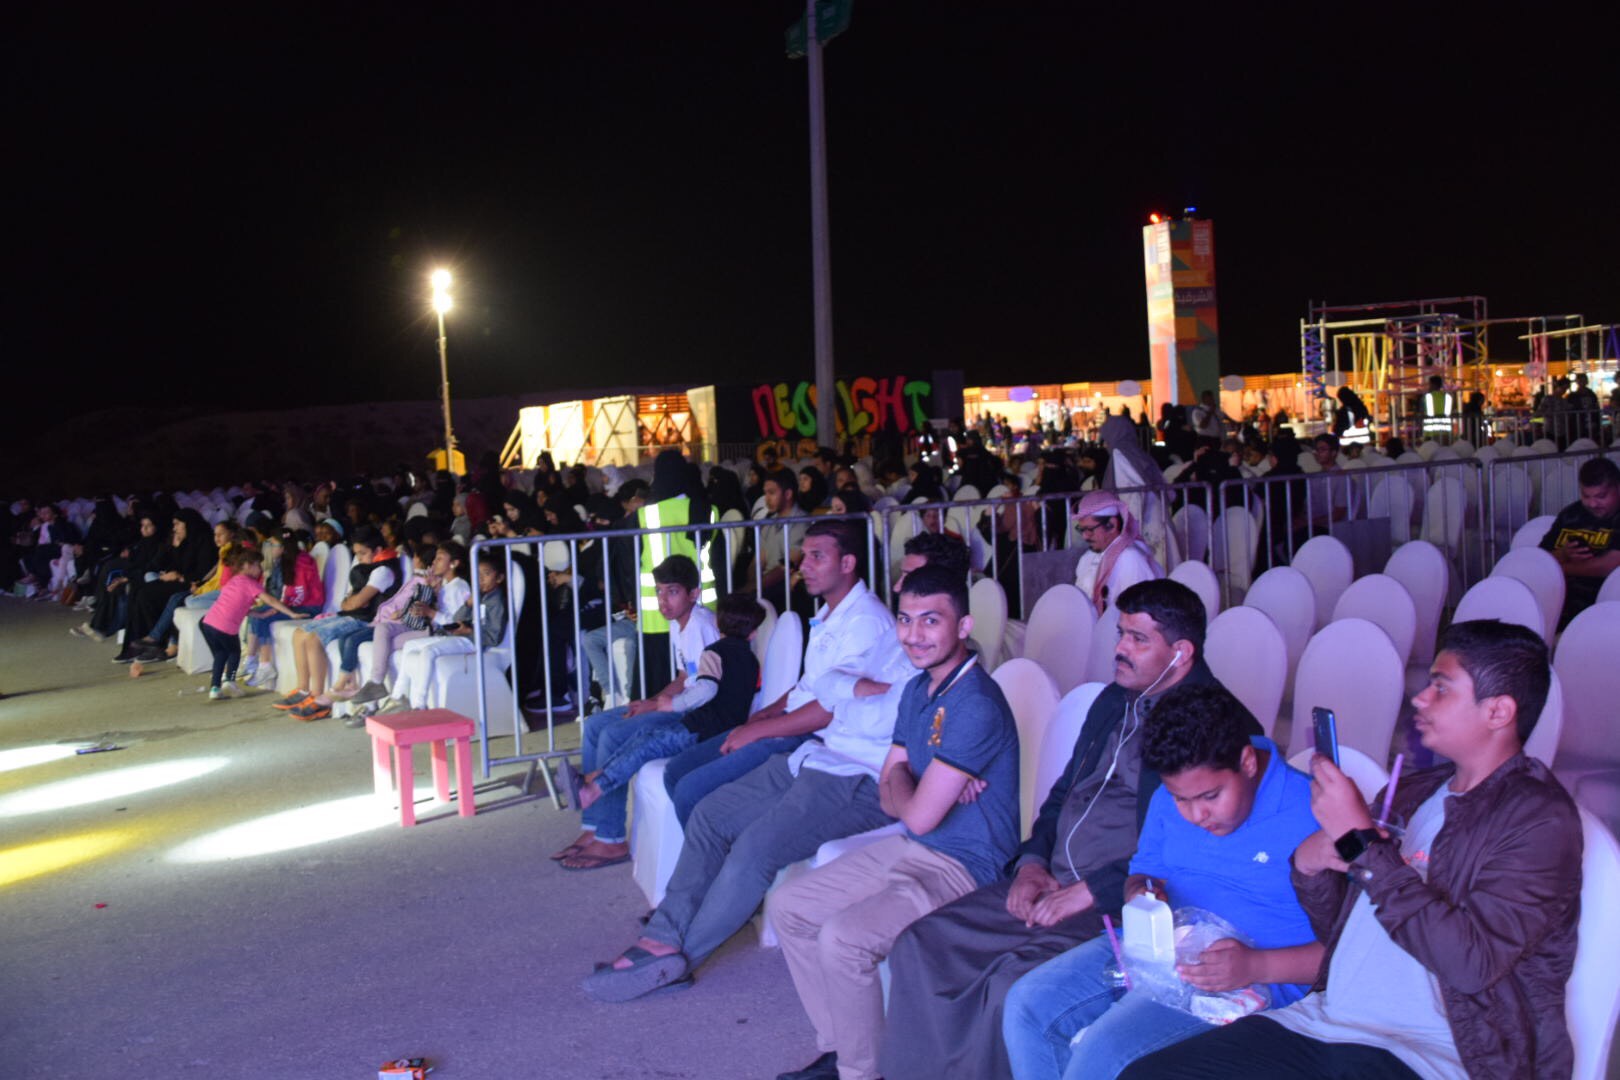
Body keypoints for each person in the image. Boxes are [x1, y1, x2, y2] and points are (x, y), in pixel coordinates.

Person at [1123, 620, 1581, 1080]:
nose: (1420, 698)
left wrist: (1363, 841)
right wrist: (1310, 866)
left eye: (1441, 688)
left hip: (1427, 1049)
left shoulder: (1539, 820)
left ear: (1498, 711)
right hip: (1326, 1021)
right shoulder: (1413, 792)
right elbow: (1344, 927)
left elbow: (1471, 964)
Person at [879, 579, 1260, 1080]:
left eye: (1138, 639)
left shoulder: (1214, 726)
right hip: (1051, 878)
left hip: (1120, 901)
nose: (1120, 648)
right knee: (921, 944)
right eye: (1120, 634)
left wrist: (1091, 891)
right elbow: (1063, 794)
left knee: (1009, 986)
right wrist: (1031, 863)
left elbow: (1193, 851)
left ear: (1181, 652)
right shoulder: (1115, 699)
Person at [583, 517, 913, 1003]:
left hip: (851, 768)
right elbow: (810, 689)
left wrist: (760, 727)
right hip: (817, 754)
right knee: (710, 815)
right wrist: (760, 719)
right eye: (804, 555)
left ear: (848, 563)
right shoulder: (835, 617)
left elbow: (828, 704)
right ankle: (667, 930)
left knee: (753, 846)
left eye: (816, 556)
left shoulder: (868, 622)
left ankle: (680, 954)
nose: (803, 565)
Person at [769, 564, 1021, 1080]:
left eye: (931, 620)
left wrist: (913, 784)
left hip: (967, 867)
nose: (913, 635)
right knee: (789, 906)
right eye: (905, 620)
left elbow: (919, 813)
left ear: (964, 626)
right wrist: (920, 783)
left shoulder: (976, 703)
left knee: (843, 938)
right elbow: (893, 800)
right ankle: (846, 1050)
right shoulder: (916, 690)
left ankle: (861, 1073)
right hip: (913, 847)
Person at [1001, 683, 1321, 1080]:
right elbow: (1144, 869)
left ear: (1247, 762)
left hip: (1247, 982)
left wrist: (1257, 965)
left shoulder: (1313, 811)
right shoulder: (1169, 798)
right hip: (1158, 948)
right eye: (1181, 799)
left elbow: (1347, 956)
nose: (1196, 815)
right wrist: (1141, 890)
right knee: (1028, 1005)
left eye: (1210, 796)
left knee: (1106, 1050)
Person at [558, 593, 764, 871]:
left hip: (699, 728)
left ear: (718, 622)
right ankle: (592, 778)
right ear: (753, 633)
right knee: (644, 741)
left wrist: (672, 704)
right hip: (721, 727)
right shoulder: (751, 660)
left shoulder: (714, 652)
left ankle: (593, 789)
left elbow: (706, 689)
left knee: (645, 745)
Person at [552, 554, 720, 869]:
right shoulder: (679, 623)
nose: (663, 600)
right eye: (659, 591)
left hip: (694, 712)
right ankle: (593, 827)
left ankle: (611, 839)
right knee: (594, 725)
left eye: (672, 592)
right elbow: (684, 676)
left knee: (613, 735)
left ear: (693, 594)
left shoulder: (701, 625)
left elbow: (705, 689)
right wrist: (649, 702)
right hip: (677, 701)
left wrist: (657, 705)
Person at [272, 526, 400, 721]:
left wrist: (352, 601)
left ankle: (317, 696)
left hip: (364, 620)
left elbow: (356, 602)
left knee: (314, 639)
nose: (359, 558)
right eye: (356, 554)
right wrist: (351, 602)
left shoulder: (383, 571)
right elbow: (347, 602)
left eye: (363, 553)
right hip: (350, 614)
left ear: (377, 550)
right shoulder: (366, 569)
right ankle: (303, 689)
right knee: (299, 633)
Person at [378, 550, 509, 714]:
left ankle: (419, 704)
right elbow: (457, 618)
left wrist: (468, 630)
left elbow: (493, 637)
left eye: (486, 574)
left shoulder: (497, 602)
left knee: (428, 652)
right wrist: (468, 604)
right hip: (460, 636)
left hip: (472, 642)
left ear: (499, 578)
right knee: (410, 645)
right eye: (477, 574)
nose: (480, 579)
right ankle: (398, 696)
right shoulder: (479, 595)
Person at [347, 541, 470, 708]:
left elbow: (455, 622)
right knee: (382, 628)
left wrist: (430, 612)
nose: (434, 562)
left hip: (435, 631)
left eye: (440, 559)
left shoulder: (459, 587)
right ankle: (376, 683)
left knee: (385, 646)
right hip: (421, 624)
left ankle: (383, 698)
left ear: (454, 563)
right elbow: (425, 607)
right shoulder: (441, 583)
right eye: (435, 558)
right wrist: (429, 592)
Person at [200, 548, 307, 701]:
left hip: (208, 623)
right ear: (247, 565)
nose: (260, 569)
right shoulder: (251, 584)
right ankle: (230, 681)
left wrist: (260, 615)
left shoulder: (234, 580)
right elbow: (270, 600)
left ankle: (215, 688)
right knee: (234, 653)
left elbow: (238, 607)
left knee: (220, 654)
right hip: (225, 627)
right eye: (257, 565)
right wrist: (291, 613)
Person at [1538, 456, 1620, 630]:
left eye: (1601, 496)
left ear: (1618, 488)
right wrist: (1563, 554)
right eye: (1585, 496)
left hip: (1606, 608)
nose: (1592, 503)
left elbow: (1609, 566)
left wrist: (1559, 568)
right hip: (1559, 605)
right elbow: (1540, 558)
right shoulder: (1571, 514)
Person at [240, 526, 325, 688]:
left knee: (264, 617)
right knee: (257, 614)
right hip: (292, 605)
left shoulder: (303, 561)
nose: (269, 548)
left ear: (284, 548)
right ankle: (251, 660)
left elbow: (299, 593)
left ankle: (264, 665)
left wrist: (280, 606)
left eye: (273, 545)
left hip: (308, 607)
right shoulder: (280, 561)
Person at [1072, 490, 1163, 615]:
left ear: (1112, 525)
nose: (1085, 536)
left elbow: (1138, 614)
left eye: (1090, 529)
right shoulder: (1087, 559)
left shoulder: (1131, 559)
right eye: (1081, 529)